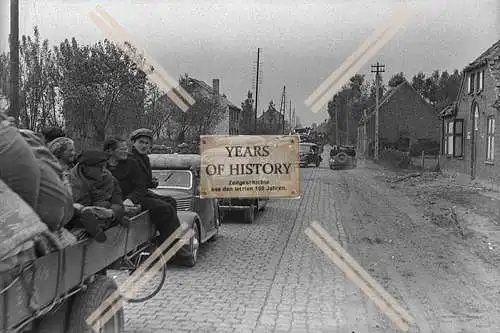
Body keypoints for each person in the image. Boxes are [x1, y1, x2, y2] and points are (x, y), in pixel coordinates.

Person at [0, 112, 74, 232]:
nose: (73, 153)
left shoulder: (17, 141)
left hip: (37, 220)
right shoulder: (24, 141)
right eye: (70, 150)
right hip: (58, 213)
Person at [125, 128, 181, 243]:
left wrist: (152, 182)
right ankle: (170, 242)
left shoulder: (144, 158)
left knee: (171, 201)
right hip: (131, 196)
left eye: (147, 143)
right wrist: (130, 199)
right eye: (141, 142)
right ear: (133, 143)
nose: (144, 146)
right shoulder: (130, 158)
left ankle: (165, 235)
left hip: (141, 193)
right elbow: (136, 184)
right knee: (165, 208)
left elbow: (144, 181)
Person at [69, 150, 125, 242]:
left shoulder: (110, 180)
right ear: (85, 168)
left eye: (105, 166)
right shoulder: (67, 182)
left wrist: (111, 213)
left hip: (105, 225)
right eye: (100, 167)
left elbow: (119, 204)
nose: (104, 171)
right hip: (76, 228)